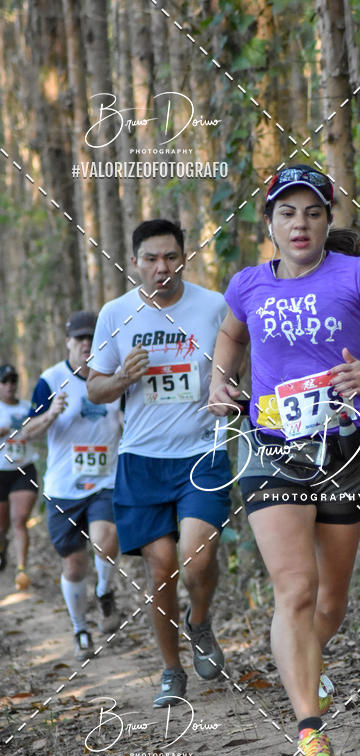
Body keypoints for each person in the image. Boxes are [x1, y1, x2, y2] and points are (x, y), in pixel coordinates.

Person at [208, 164, 360, 756]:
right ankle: (310, 730)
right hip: (270, 445)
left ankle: (307, 662)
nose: (300, 223)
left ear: (328, 220)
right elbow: (229, 339)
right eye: (287, 213)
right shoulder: (248, 285)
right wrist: (221, 381)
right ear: (270, 224)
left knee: (330, 601)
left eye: (312, 212)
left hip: (343, 448)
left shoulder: (357, 274)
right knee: (297, 590)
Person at [87, 219, 231, 709]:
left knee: (197, 557)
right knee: (162, 568)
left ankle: (200, 621)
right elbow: (95, 387)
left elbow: (237, 364)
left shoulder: (213, 306)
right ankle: (171, 670)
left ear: (183, 258)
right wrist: (123, 378)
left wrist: (228, 394)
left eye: (170, 257)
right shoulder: (115, 314)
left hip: (202, 451)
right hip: (142, 459)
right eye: (150, 259)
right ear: (134, 264)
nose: (161, 268)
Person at [23, 312, 122, 661]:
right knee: (74, 565)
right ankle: (80, 628)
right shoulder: (51, 380)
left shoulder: (113, 378)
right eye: (79, 338)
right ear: (67, 342)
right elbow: (24, 432)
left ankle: (105, 590)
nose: (85, 345)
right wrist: (50, 415)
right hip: (63, 488)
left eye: (91, 338)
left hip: (104, 482)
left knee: (105, 539)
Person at [0, 364, 39, 590]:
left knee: (19, 518)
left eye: (13, 380)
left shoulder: (28, 408)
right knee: (2, 525)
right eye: (5, 381)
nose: (10, 385)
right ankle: (2, 546)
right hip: (1, 471)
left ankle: (22, 569)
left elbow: (41, 428)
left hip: (24, 470)